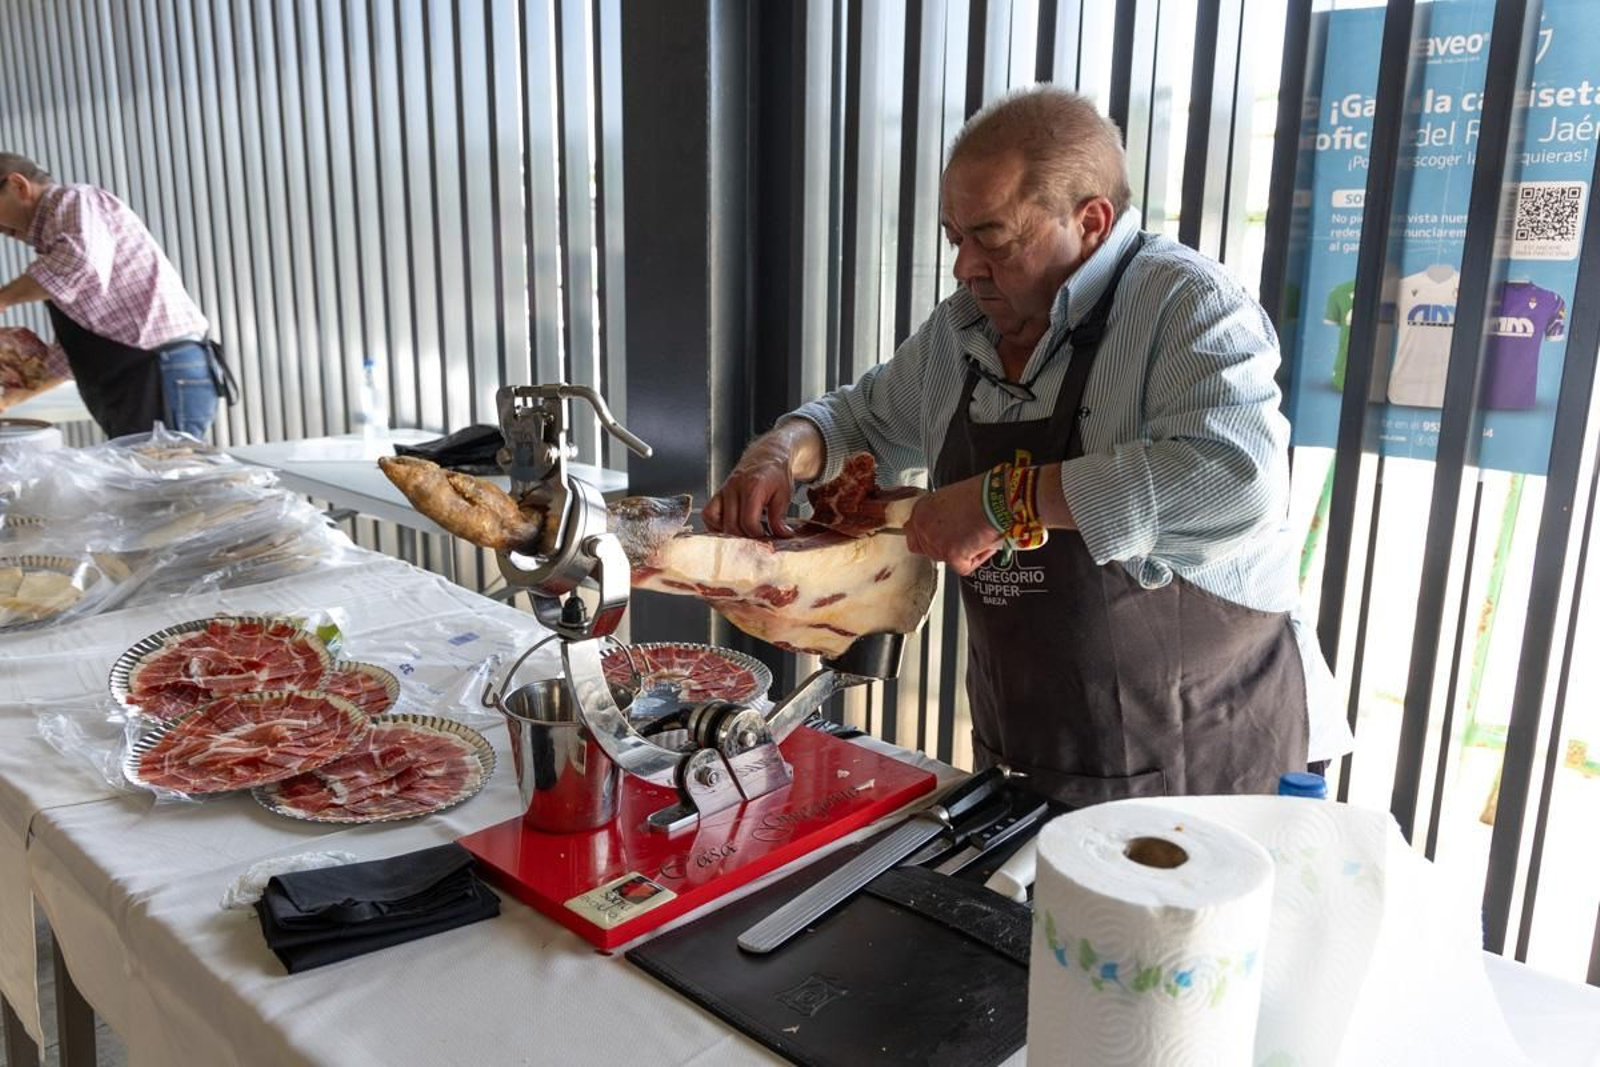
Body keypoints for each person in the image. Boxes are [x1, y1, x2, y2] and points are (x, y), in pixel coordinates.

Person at [706, 88, 1349, 806]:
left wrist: (1000, 500)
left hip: (1207, 766)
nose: (964, 268)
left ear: (1092, 221)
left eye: (995, 238)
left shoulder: (1188, 305)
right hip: (1031, 758)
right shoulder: (962, 333)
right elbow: (856, 420)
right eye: (956, 238)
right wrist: (778, 452)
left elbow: (1237, 480)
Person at [0, 153, 231, 439]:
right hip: (139, 375)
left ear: (18, 186)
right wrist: (10, 398)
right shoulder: (56, 246)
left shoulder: (74, 201)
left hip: (159, 369)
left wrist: (4, 298)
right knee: (142, 476)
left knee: (161, 475)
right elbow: (70, 354)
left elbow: (78, 262)